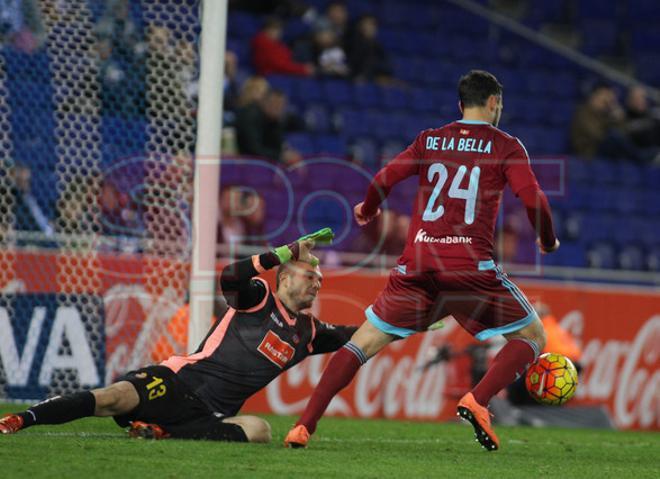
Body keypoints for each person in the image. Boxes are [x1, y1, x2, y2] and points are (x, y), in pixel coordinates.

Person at [285, 70, 559, 451]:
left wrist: (368, 206)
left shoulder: (431, 139)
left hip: (416, 266)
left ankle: (302, 427)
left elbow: (384, 177)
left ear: (459, 104)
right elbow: (534, 200)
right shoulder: (506, 146)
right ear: (494, 102)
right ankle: (477, 400)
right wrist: (547, 238)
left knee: (361, 342)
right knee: (532, 336)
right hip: (467, 269)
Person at [0, 229, 359, 443]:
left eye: (319, 281)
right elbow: (230, 277)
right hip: (176, 381)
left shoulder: (309, 332)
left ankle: (161, 431)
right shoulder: (259, 298)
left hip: (211, 414)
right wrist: (285, 251)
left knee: (259, 429)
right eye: (309, 277)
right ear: (284, 279)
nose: (316, 283)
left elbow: (359, 335)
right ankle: (22, 419)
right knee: (113, 397)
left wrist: (407, 317)